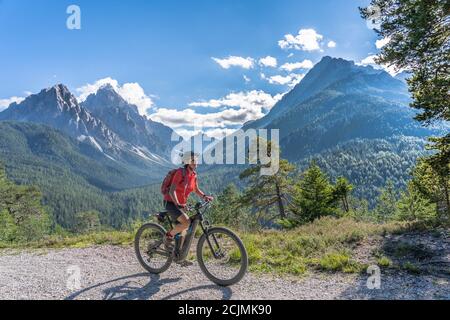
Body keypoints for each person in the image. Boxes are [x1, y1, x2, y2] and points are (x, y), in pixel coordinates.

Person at [163, 151, 213, 264]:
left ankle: (179, 256)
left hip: (181, 204)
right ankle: (167, 237)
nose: (196, 163)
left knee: (184, 229)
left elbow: (195, 189)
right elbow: (172, 191)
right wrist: (178, 204)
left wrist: (205, 196)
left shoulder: (193, 175)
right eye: (193, 160)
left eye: (196, 160)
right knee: (186, 223)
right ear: (187, 162)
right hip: (170, 203)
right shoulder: (180, 173)